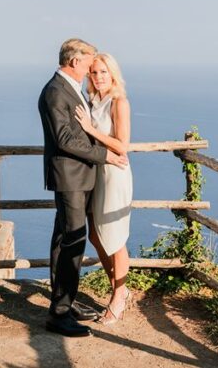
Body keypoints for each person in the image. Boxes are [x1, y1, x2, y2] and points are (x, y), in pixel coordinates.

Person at [39, 38, 129, 338]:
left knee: (63, 240)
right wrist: (104, 155)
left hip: (80, 178)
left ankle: (63, 304)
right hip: (71, 178)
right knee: (74, 242)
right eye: (90, 63)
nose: (93, 69)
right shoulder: (55, 92)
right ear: (76, 62)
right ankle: (60, 314)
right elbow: (65, 139)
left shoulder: (70, 88)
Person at [74, 53, 133, 324]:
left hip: (115, 174)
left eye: (103, 72)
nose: (98, 77)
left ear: (113, 74)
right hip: (96, 172)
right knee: (97, 237)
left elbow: (122, 145)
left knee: (115, 238)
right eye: (94, 72)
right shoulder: (91, 101)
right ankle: (119, 289)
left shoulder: (119, 102)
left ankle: (118, 298)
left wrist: (89, 128)